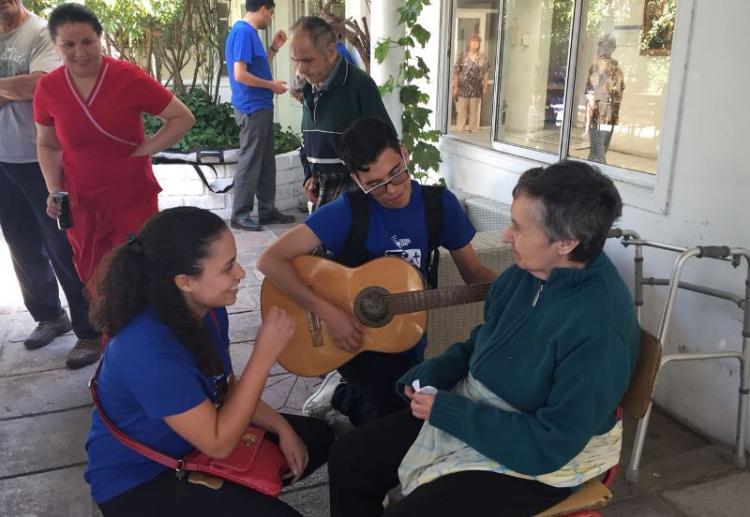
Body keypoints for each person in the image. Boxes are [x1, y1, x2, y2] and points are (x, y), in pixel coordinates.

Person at [326, 160, 641, 517]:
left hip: (542, 459)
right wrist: (434, 373)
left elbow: (550, 444)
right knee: (351, 458)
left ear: (566, 243)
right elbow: (484, 341)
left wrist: (450, 410)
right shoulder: (527, 275)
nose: (507, 236)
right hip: (482, 408)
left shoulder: (599, 329)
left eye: (519, 228)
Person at [84, 206, 334, 517]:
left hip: (195, 441)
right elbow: (218, 444)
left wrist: (283, 428)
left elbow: (226, 388)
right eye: (228, 267)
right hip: (141, 480)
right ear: (185, 281)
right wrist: (263, 355)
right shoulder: (147, 351)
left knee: (320, 439)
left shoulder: (209, 310)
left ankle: (236, 491)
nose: (240, 273)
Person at [257, 118, 496, 428]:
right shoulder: (348, 211)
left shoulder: (439, 206)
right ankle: (344, 394)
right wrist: (328, 312)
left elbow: (473, 271)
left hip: (405, 337)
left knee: (413, 410)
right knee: (401, 420)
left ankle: (344, 394)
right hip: (353, 342)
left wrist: (514, 289)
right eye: (376, 185)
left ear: (404, 153)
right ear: (357, 180)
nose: (393, 189)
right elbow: (270, 260)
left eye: (396, 173)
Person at [33, 3, 195, 285]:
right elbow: (47, 145)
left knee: (140, 270)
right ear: (56, 46)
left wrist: (142, 153)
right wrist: (54, 190)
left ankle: (144, 328)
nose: (80, 52)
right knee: (94, 277)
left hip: (131, 195)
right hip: (80, 200)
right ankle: (108, 329)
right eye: (68, 44)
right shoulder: (49, 87)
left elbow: (182, 118)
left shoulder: (127, 77)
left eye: (87, 41)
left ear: (100, 39)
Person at [0, 0, 100, 368]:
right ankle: (48, 315)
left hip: (42, 158)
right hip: (2, 157)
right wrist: (14, 88)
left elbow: (41, 85)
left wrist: (14, 89)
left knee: (63, 244)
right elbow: (22, 87)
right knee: (21, 244)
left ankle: (90, 331)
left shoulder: (41, 32)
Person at [290, 16, 395, 211]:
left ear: (330, 52)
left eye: (307, 60)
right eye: (296, 61)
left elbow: (387, 143)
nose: (300, 70)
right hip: (322, 195)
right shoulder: (308, 88)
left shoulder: (360, 86)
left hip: (356, 200)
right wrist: (309, 175)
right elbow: (308, 142)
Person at [225, 0, 294, 232]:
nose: (271, 18)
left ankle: (267, 210)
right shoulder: (244, 32)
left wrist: (273, 48)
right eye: (271, 13)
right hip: (252, 107)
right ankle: (240, 214)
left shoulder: (248, 33)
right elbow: (241, 74)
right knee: (251, 160)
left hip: (259, 106)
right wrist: (271, 86)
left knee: (265, 161)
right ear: (263, 9)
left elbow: (255, 67)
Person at [583, 33, 625, 163]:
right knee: (598, 150)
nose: (607, 49)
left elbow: (617, 91)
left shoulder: (614, 67)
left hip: (607, 113)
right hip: (599, 112)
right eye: (605, 45)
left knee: (599, 150)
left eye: (609, 46)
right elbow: (590, 90)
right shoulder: (598, 66)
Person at [452, 33, 489, 133]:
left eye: (477, 41)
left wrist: (485, 86)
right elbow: (456, 72)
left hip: (476, 89)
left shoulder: (482, 57)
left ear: (479, 44)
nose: (475, 43)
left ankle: (473, 131)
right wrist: (455, 87)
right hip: (462, 88)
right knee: (461, 112)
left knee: (474, 112)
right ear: (469, 43)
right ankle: (460, 131)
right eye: (473, 41)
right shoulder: (463, 56)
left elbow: (486, 72)